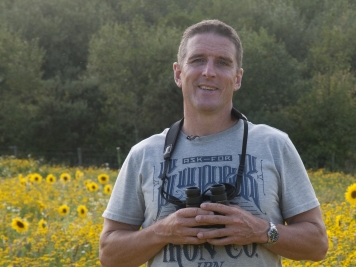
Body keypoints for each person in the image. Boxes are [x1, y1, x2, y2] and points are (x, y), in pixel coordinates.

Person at [99, 20, 328, 267]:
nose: (209, 71)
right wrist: (162, 231)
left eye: (223, 62)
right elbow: (109, 255)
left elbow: (317, 244)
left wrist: (260, 230)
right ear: (178, 73)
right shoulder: (144, 154)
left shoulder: (274, 145)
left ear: (238, 78)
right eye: (197, 60)